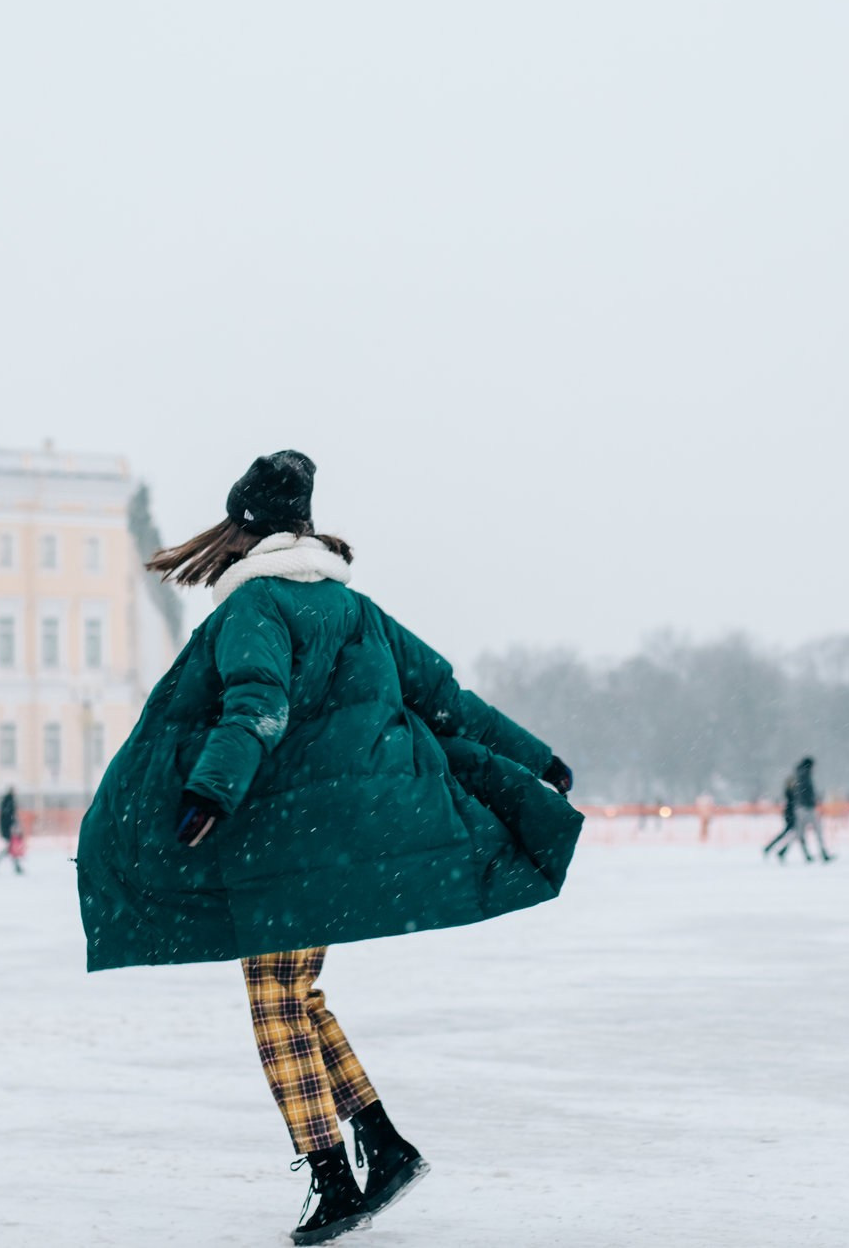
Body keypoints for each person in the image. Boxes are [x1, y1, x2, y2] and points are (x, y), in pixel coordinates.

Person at [76, 451, 583, 1245]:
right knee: (300, 995)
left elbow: (258, 704)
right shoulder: (358, 611)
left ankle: (333, 1175)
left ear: (245, 529)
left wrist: (211, 790)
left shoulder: (254, 608)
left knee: (275, 1002)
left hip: (284, 846)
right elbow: (446, 700)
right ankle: (381, 1142)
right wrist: (537, 758)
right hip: (335, 845)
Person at [0, 787, 24, 874]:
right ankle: (17, 867)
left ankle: (17, 867)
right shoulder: (9, 801)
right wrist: (12, 828)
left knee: (11, 848)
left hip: (8, 829)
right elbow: (9, 817)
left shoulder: (6, 801)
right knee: (11, 848)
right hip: (9, 830)